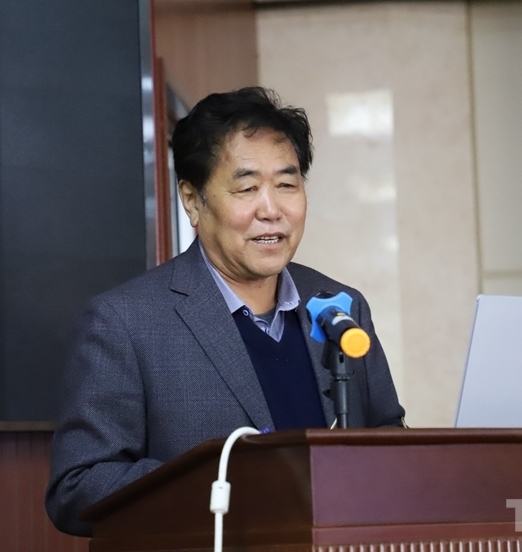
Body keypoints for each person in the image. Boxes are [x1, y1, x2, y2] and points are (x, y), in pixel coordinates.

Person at [45, 87, 405, 536]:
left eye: (287, 185)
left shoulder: (340, 307)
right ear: (192, 200)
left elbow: (388, 435)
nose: (271, 210)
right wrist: (225, 489)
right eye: (247, 188)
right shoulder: (124, 323)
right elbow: (78, 489)